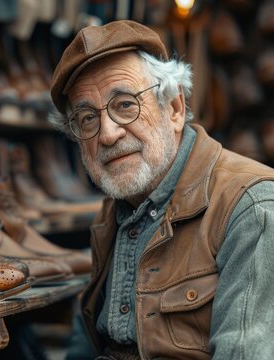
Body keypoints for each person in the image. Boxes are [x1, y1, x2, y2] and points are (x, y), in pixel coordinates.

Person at [49, 20, 274, 359]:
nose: (107, 134)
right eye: (88, 119)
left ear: (174, 108)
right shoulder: (118, 207)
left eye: (125, 104)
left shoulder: (250, 208)